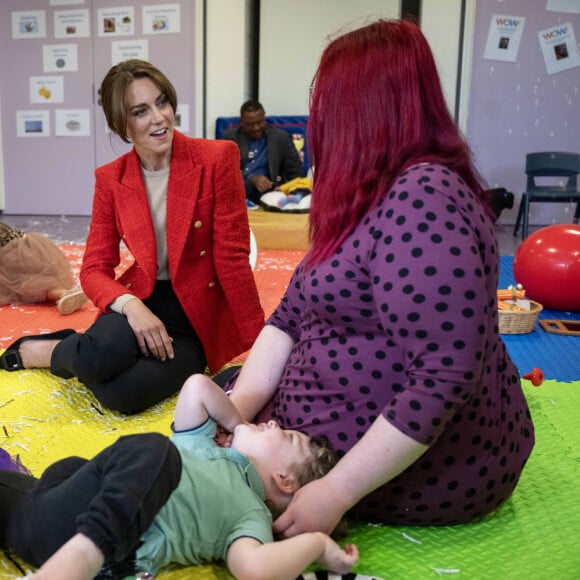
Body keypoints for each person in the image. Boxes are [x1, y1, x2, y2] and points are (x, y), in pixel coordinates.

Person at [217, 19, 536, 534]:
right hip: (304, 428)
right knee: (201, 409)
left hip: (428, 469)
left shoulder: (424, 197)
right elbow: (290, 315)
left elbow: (443, 375)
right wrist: (237, 412)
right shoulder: (366, 193)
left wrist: (336, 491)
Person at [0, 60, 264, 414]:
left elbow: (233, 259)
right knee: (97, 357)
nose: (159, 118)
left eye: (162, 102)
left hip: (194, 320)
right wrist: (133, 307)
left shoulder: (217, 158)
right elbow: (94, 268)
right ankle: (47, 351)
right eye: (141, 111)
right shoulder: (111, 179)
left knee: (122, 397)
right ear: (122, 126)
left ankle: (70, 348)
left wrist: (262, 347)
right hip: (142, 299)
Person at [0, 374, 358, 580]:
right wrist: (238, 424)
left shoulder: (250, 515)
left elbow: (255, 569)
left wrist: (317, 545)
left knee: (157, 451)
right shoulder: (206, 445)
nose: (274, 422)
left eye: (288, 436)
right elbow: (198, 387)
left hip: (96, 546)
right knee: (77, 465)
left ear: (285, 480)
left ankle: (80, 557)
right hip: (48, 510)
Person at [221, 100, 305, 209]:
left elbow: (295, 172)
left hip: (271, 193)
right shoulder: (230, 137)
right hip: (239, 192)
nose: (256, 128)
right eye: (250, 124)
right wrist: (251, 178)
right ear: (241, 122)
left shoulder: (281, 138)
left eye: (259, 122)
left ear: (264, 118)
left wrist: (285, 188)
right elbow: (225, 169)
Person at [0, 222, 87, 315]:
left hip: (15, 260)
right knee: (35, 282)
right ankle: (63, 293)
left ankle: (62, 294)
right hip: (33, 253)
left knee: (24, 284)